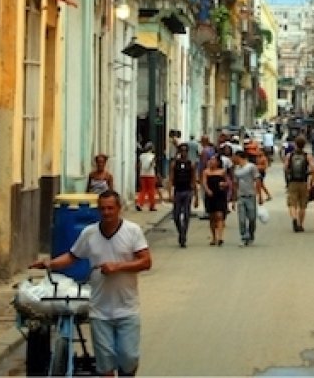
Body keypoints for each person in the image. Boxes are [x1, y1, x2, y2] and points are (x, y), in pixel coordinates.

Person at [30, 190, 151, 376]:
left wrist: (117, 267)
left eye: (111, 208)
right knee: (105, 364)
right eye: (102, 209)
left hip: (127, 308)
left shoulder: (132, 231)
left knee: (128, 358)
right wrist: (49, 263)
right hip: (99, 310)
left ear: (119, 209)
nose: (107, 212)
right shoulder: (89, 233)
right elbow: (72, 256)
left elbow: (146, 262)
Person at [169, 142, 199, 248]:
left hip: (187, 191)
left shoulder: (191, 164)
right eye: (181, 151)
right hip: (177, 191)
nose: (183, 153)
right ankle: (180, 231)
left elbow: (194, 180)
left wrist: (196, 197)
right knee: (176, 215)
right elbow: (171, 178)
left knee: (186, 215)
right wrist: (170, 193)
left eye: (185, 151)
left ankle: (183, 236)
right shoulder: (174, 164)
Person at [230, 149, 261, 246]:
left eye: (235, 157)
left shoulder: (251, 167)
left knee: (252, 218)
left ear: (239, 157)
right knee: (242, 219)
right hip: (241, 196)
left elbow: (257, 180)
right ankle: (244, 236)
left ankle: (251, 234)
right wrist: (234, 199)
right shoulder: (236, 169)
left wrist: (259, 195)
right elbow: (235, 184)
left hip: (250, 195)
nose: (233, 159)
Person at [284, 135, 313, 233]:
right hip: (304, 182)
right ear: (304, 145)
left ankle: (294, 218)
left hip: (292, 182)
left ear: (295, 144)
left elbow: (285, 168)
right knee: (302, 206)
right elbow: (312, 168)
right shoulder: (307, 156)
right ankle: (300, 224)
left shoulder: (290, 155)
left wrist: (289, 174)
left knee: (292, 204)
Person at [201, 152, 230, 246]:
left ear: (218, 162)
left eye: (213, 160)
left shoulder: (222, 171)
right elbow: (204, 183)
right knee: (212, 217)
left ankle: (220, 237)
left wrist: (224, 184)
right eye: (210, 160)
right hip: (210, 195)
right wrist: (207, 190)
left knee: (220, 215)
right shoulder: (206, 172)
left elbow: (227, 182)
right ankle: (214, 237)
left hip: (220, 195)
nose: (211, 162)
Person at [137, 142, 158, 211]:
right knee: (151, 191)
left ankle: (139, 204)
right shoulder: (153, 156)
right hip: (151, 175)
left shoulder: (141, 156)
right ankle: (152, 206)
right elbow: (153, 165)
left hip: (142, 175)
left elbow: (139, 165)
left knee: (143, 190)